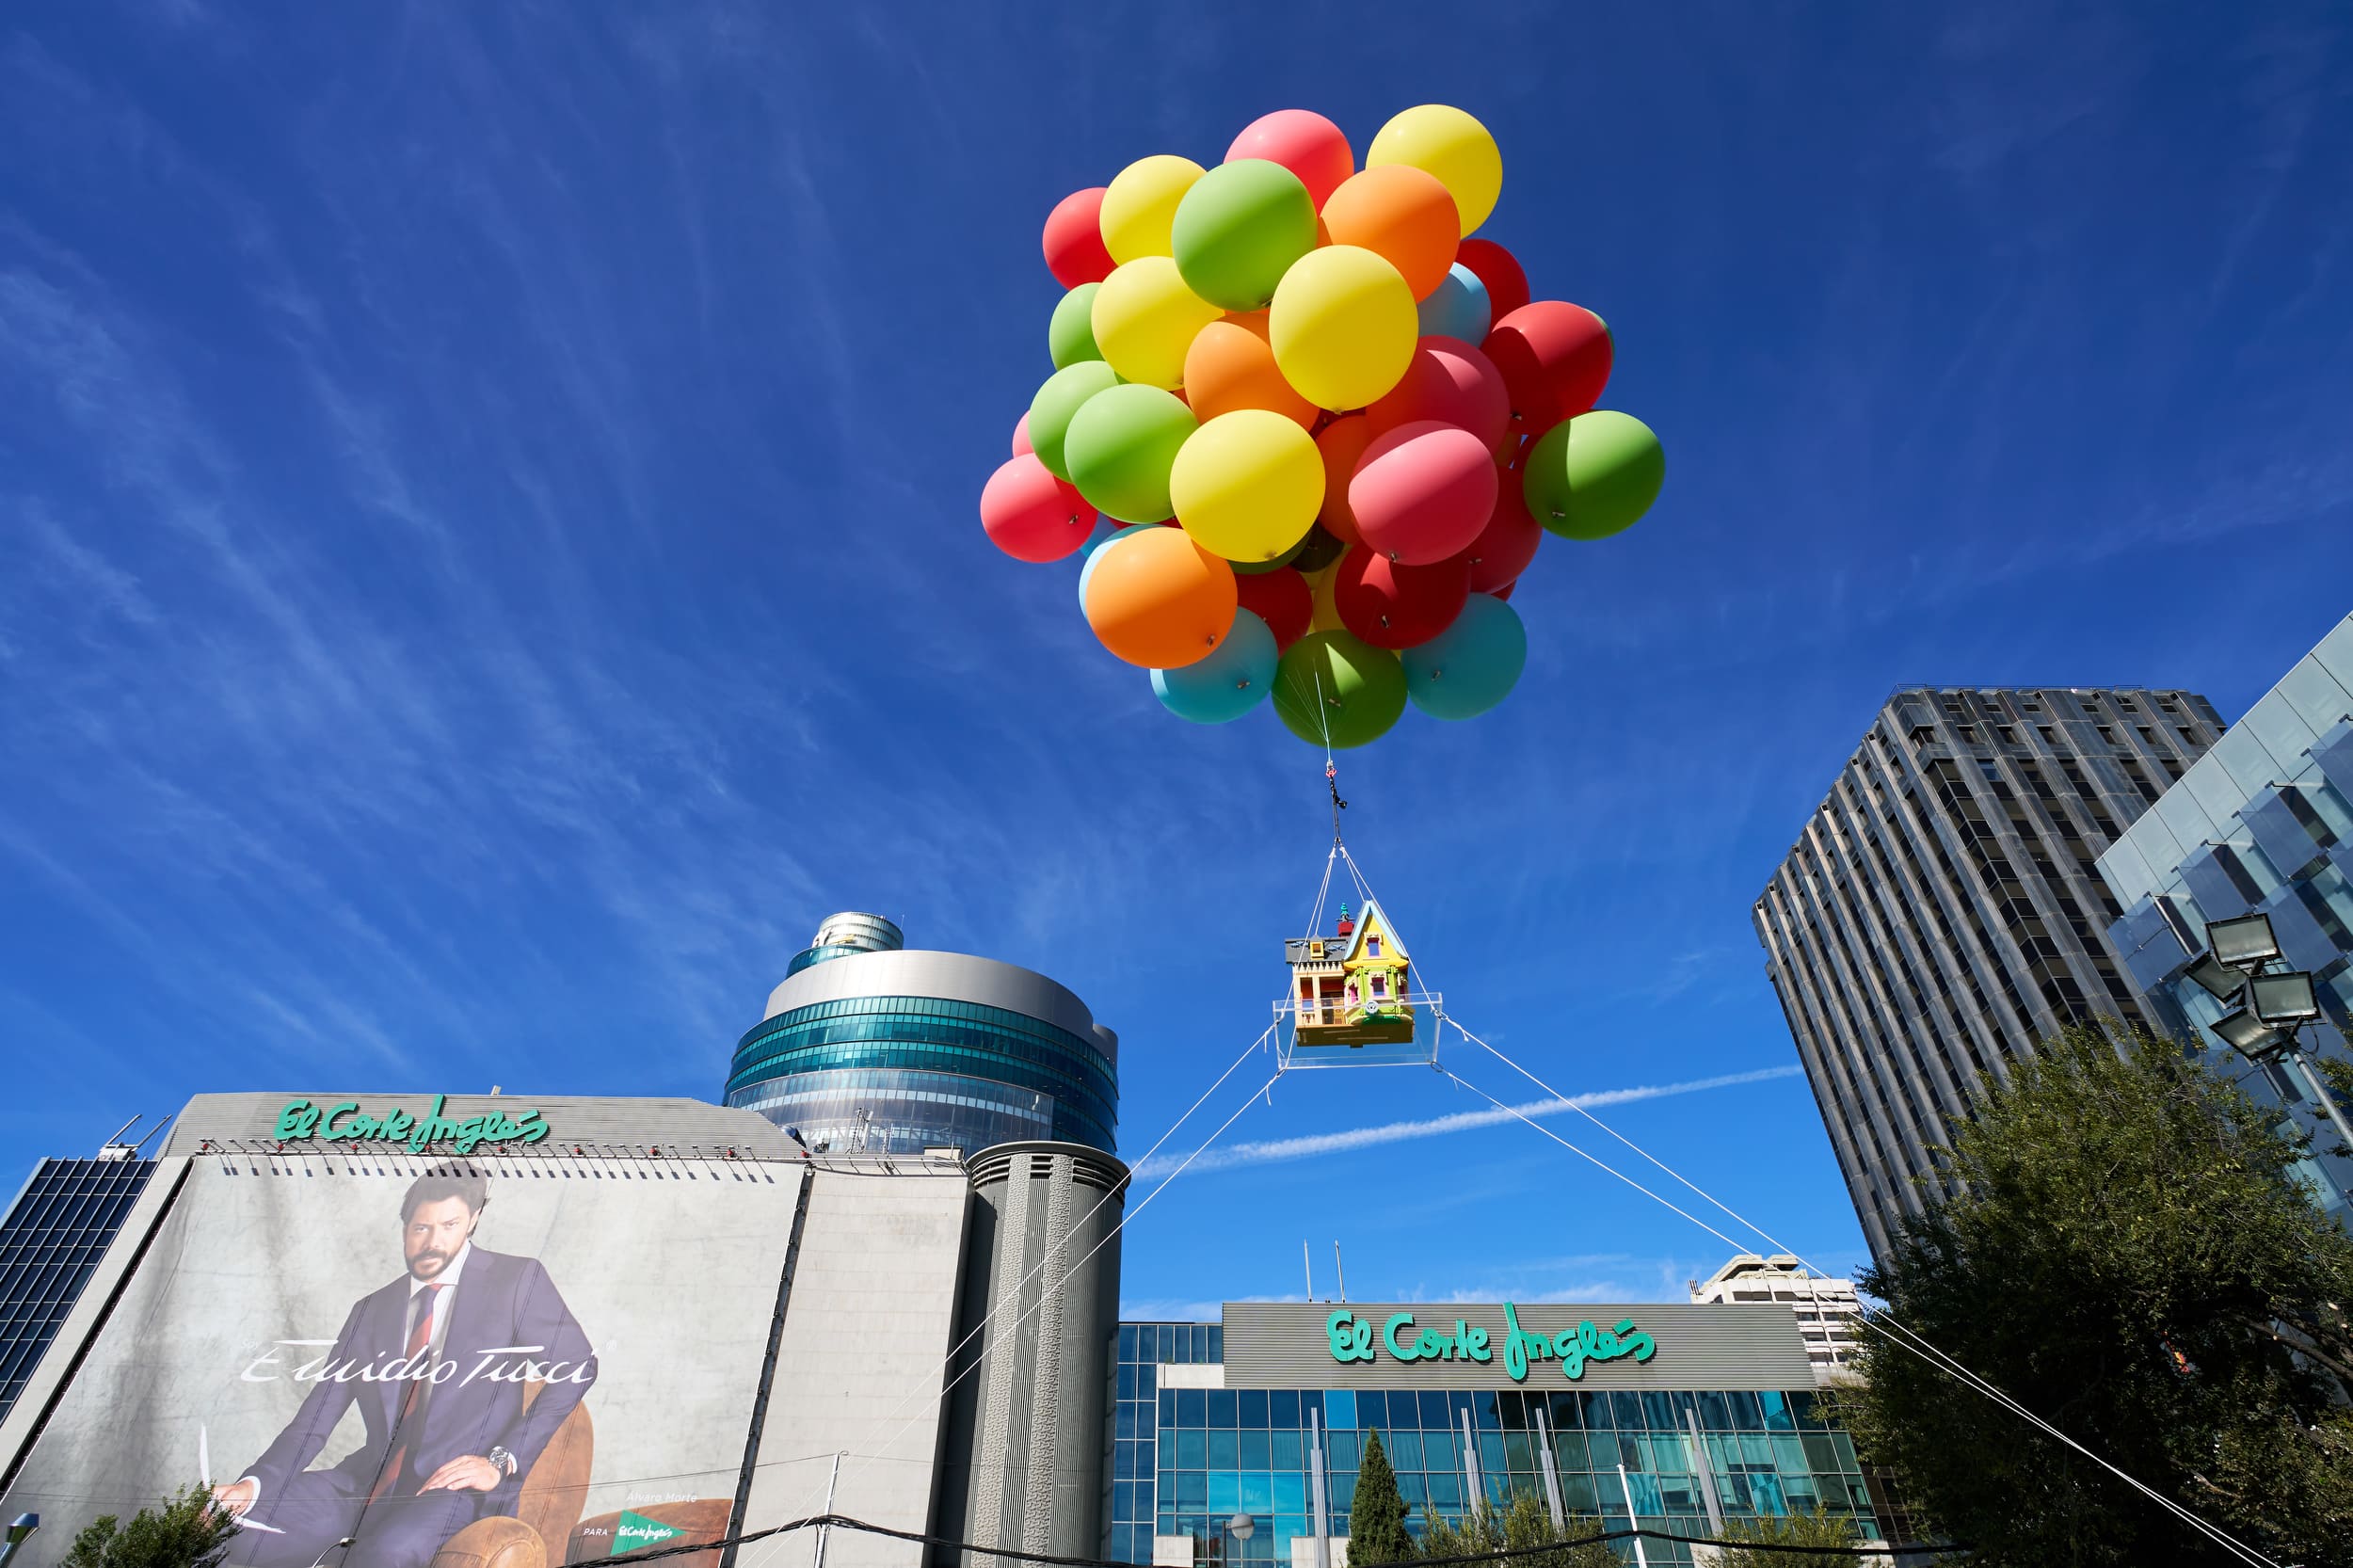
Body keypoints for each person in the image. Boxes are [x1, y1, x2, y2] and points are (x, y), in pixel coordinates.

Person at [213, 1166, 598, 1568]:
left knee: (386, 1554)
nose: (433, 1242)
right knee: (231, 1530)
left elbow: (578, 1366)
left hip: (452, 1492)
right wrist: (253, 1485)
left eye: (449, 1225)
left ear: (473, 1221)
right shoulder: (370, 1310)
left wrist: (500, 1460)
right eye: (420, 1229)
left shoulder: (517, 1280)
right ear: (404, 1228)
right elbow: (316, 1417)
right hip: (364, 1485)